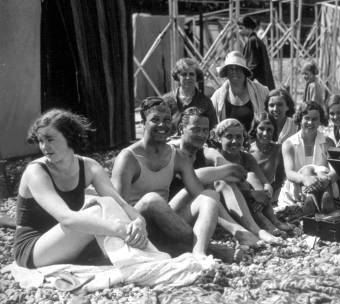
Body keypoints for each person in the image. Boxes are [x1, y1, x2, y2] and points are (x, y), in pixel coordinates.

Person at [14, 109, 148, 268]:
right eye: (41, 140)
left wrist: (139, 221)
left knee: (107, 204)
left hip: (67, 239)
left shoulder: (89, 166)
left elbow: (119, 203)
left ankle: (142, 257)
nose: (44, 146)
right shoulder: (36, 172)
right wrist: (120, 229)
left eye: (50, 139)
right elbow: (66, 218)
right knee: (97, 213)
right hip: (34, 248)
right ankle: (139, 258)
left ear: (69, 137)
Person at [111, 97, 221, 258]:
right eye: (155, 120)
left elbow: (198, 193)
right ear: (143, 123)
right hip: (136, 225)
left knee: (210, 194)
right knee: (152, 199)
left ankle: (199, 251)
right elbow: (118, 208)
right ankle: (213, 250)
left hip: (166, 221)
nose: (162, 125)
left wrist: (234, 228)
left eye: (167, 120)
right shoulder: (128, 158)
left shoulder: (177, 156)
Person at [167, 107, 264, 248]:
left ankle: (254, 229)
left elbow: (238, 174)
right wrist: (227, 169)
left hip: (198, 211)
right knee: (208, 186)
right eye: (196, 129)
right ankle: (238, 231)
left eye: (205, 130)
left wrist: (226, 170)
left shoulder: (204, 151)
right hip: (171, 215)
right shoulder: (171, 152)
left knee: (222, 182)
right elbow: (194, 178)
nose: (201, 134)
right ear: (182, 128)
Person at [205, 119, 289, 239]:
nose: (234, 141)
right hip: (229, 205)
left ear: (243, 139)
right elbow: (217, 186)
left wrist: (264, 195)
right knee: (239, 181)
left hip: (252, 203)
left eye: (239, 137)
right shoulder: (215, 157)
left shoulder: (245, 157)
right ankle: (263, 223)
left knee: (252, 176)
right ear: (219, 139)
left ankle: (272, 220)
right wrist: (251, 194)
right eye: (229, 137)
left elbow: (266, 183)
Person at [278, 102, 338, 210]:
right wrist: (305, 179)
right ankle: (313, 202)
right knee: (307, 171)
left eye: (315, 119)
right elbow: (289, 173)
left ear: (320, 121)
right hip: (298, 187)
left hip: (324, 185)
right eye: (307, 118)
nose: (310, 122)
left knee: (322, 171)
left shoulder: (328, 142)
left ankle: (318, 202)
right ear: (300, 119)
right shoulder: (289, 144)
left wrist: (326, 178)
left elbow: (335, 170)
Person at [211, 51, 269, 132]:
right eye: (230, 69)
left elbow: (270, 118)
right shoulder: (217, 96)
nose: (234, 72)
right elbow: (212, 123)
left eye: (238, 68)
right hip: (228, 143)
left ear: (244, 71)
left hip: (255, 142)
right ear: (226, 73)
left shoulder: (262, 91)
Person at [162, 57, 217, 133]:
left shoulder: (206, 102)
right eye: (184, 74)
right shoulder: (166, 101)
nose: (188, 77)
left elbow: (213, 129)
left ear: (196, 76)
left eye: (191, 74)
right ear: (178, 76)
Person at [250, 112, 286, 203]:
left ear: (274, 131)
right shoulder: (247, 150)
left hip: (269, 196)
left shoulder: (278, 150)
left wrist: (268, 196)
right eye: (261, 129)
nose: (265, 133)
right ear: (255, 129)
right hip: (249, 195)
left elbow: (279, 180)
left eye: (269, 130)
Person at [239, 15, 275, 90]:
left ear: (248, 28)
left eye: (241, 28)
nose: (239, 31)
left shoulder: (253, 41)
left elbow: (253, 66)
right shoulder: (254, 40)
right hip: (264, 84)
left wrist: (243, 83)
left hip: (261, 85)